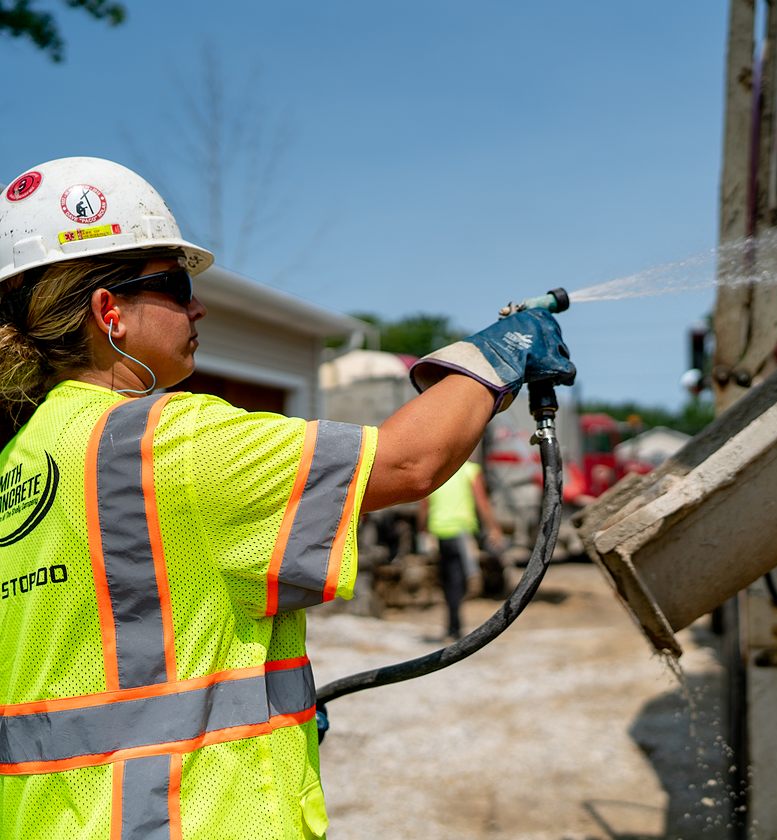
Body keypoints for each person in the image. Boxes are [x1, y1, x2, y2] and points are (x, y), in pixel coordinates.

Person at [0, 156, 575, 840]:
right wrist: (495, 357)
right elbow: (409, 461)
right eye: (177, 286)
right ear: (109, 312)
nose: (198, 306)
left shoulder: (22, 459)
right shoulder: (164, 442)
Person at [417, 458, 504, 640]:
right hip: (461, 531)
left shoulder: (439, 471)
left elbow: (425, 503)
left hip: (440, 530)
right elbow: (482, 502)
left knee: (449, 578)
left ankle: (452, 626)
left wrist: (422, 529)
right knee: (460, 579)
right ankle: (455, 627)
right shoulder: (471, 471)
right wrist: (493, 527)